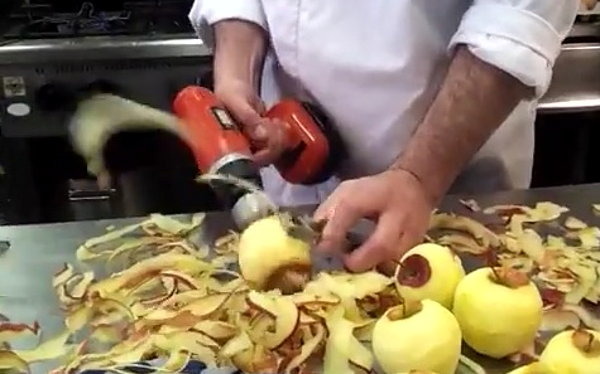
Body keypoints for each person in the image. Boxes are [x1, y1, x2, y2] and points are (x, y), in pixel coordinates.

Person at [189, 1, 578, 273]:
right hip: (290, 180)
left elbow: (517, 17)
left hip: (447, 190)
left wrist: (420, 178)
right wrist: (237, 72)